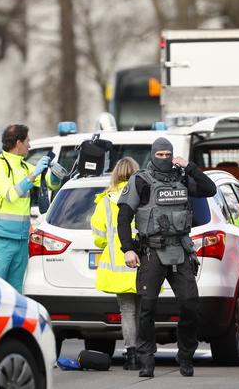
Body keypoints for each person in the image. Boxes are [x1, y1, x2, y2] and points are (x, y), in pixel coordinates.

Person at [117, 138, 216, 378]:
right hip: (151, 251)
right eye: (159, 154)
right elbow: (123, 217)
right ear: (152, 154)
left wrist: (189, 166)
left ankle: (185, 356)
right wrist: (128, 248)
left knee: (190, 304)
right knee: (147, 308)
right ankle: (146, 359)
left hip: (180, 250)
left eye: (167, 154)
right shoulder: (140, 180)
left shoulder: (181, 178)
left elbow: (209, 189)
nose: (164, 158)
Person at [0, 124, 51, 292]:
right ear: (18, 142)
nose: (29, 145)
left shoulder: (25, 167)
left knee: (16, 293)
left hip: (21, 240)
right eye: (27, 141)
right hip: (0, 240)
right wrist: (34, 175)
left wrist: (56, 172)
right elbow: (10, 194)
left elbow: (51, 183)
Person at [91, 157, 141, 371]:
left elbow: (99, 237)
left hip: (117, 266)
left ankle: (131, 355)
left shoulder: (105, 201)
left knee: (127, 311)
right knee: (142, 311)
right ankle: (142, 352)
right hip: (142, 263)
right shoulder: (143, 196)